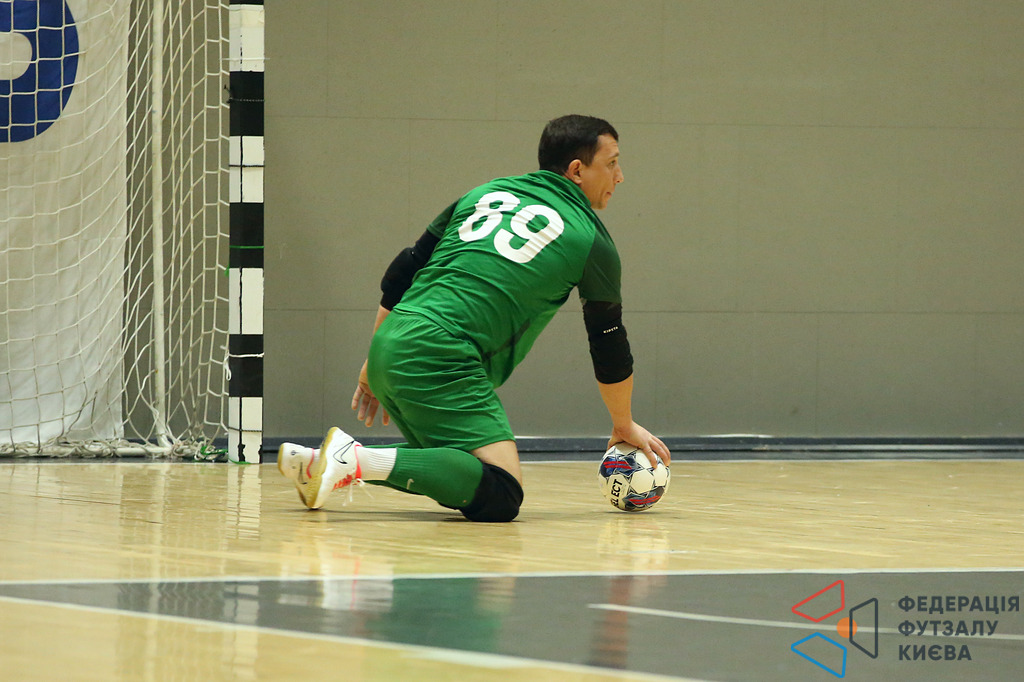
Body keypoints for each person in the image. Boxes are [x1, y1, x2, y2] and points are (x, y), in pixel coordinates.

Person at [278, 114, 670, 522]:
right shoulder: (590, 238)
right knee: (501, 491)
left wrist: (374, 358)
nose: (619, 176)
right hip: (444, 351)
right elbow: (608, 340)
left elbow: (403, 269)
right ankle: (352, 460)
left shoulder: (485, 193)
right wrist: (622, 423)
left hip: (394, 337)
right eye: (612, 163)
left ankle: (319, 462)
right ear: (576, 170)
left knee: (462, 467)